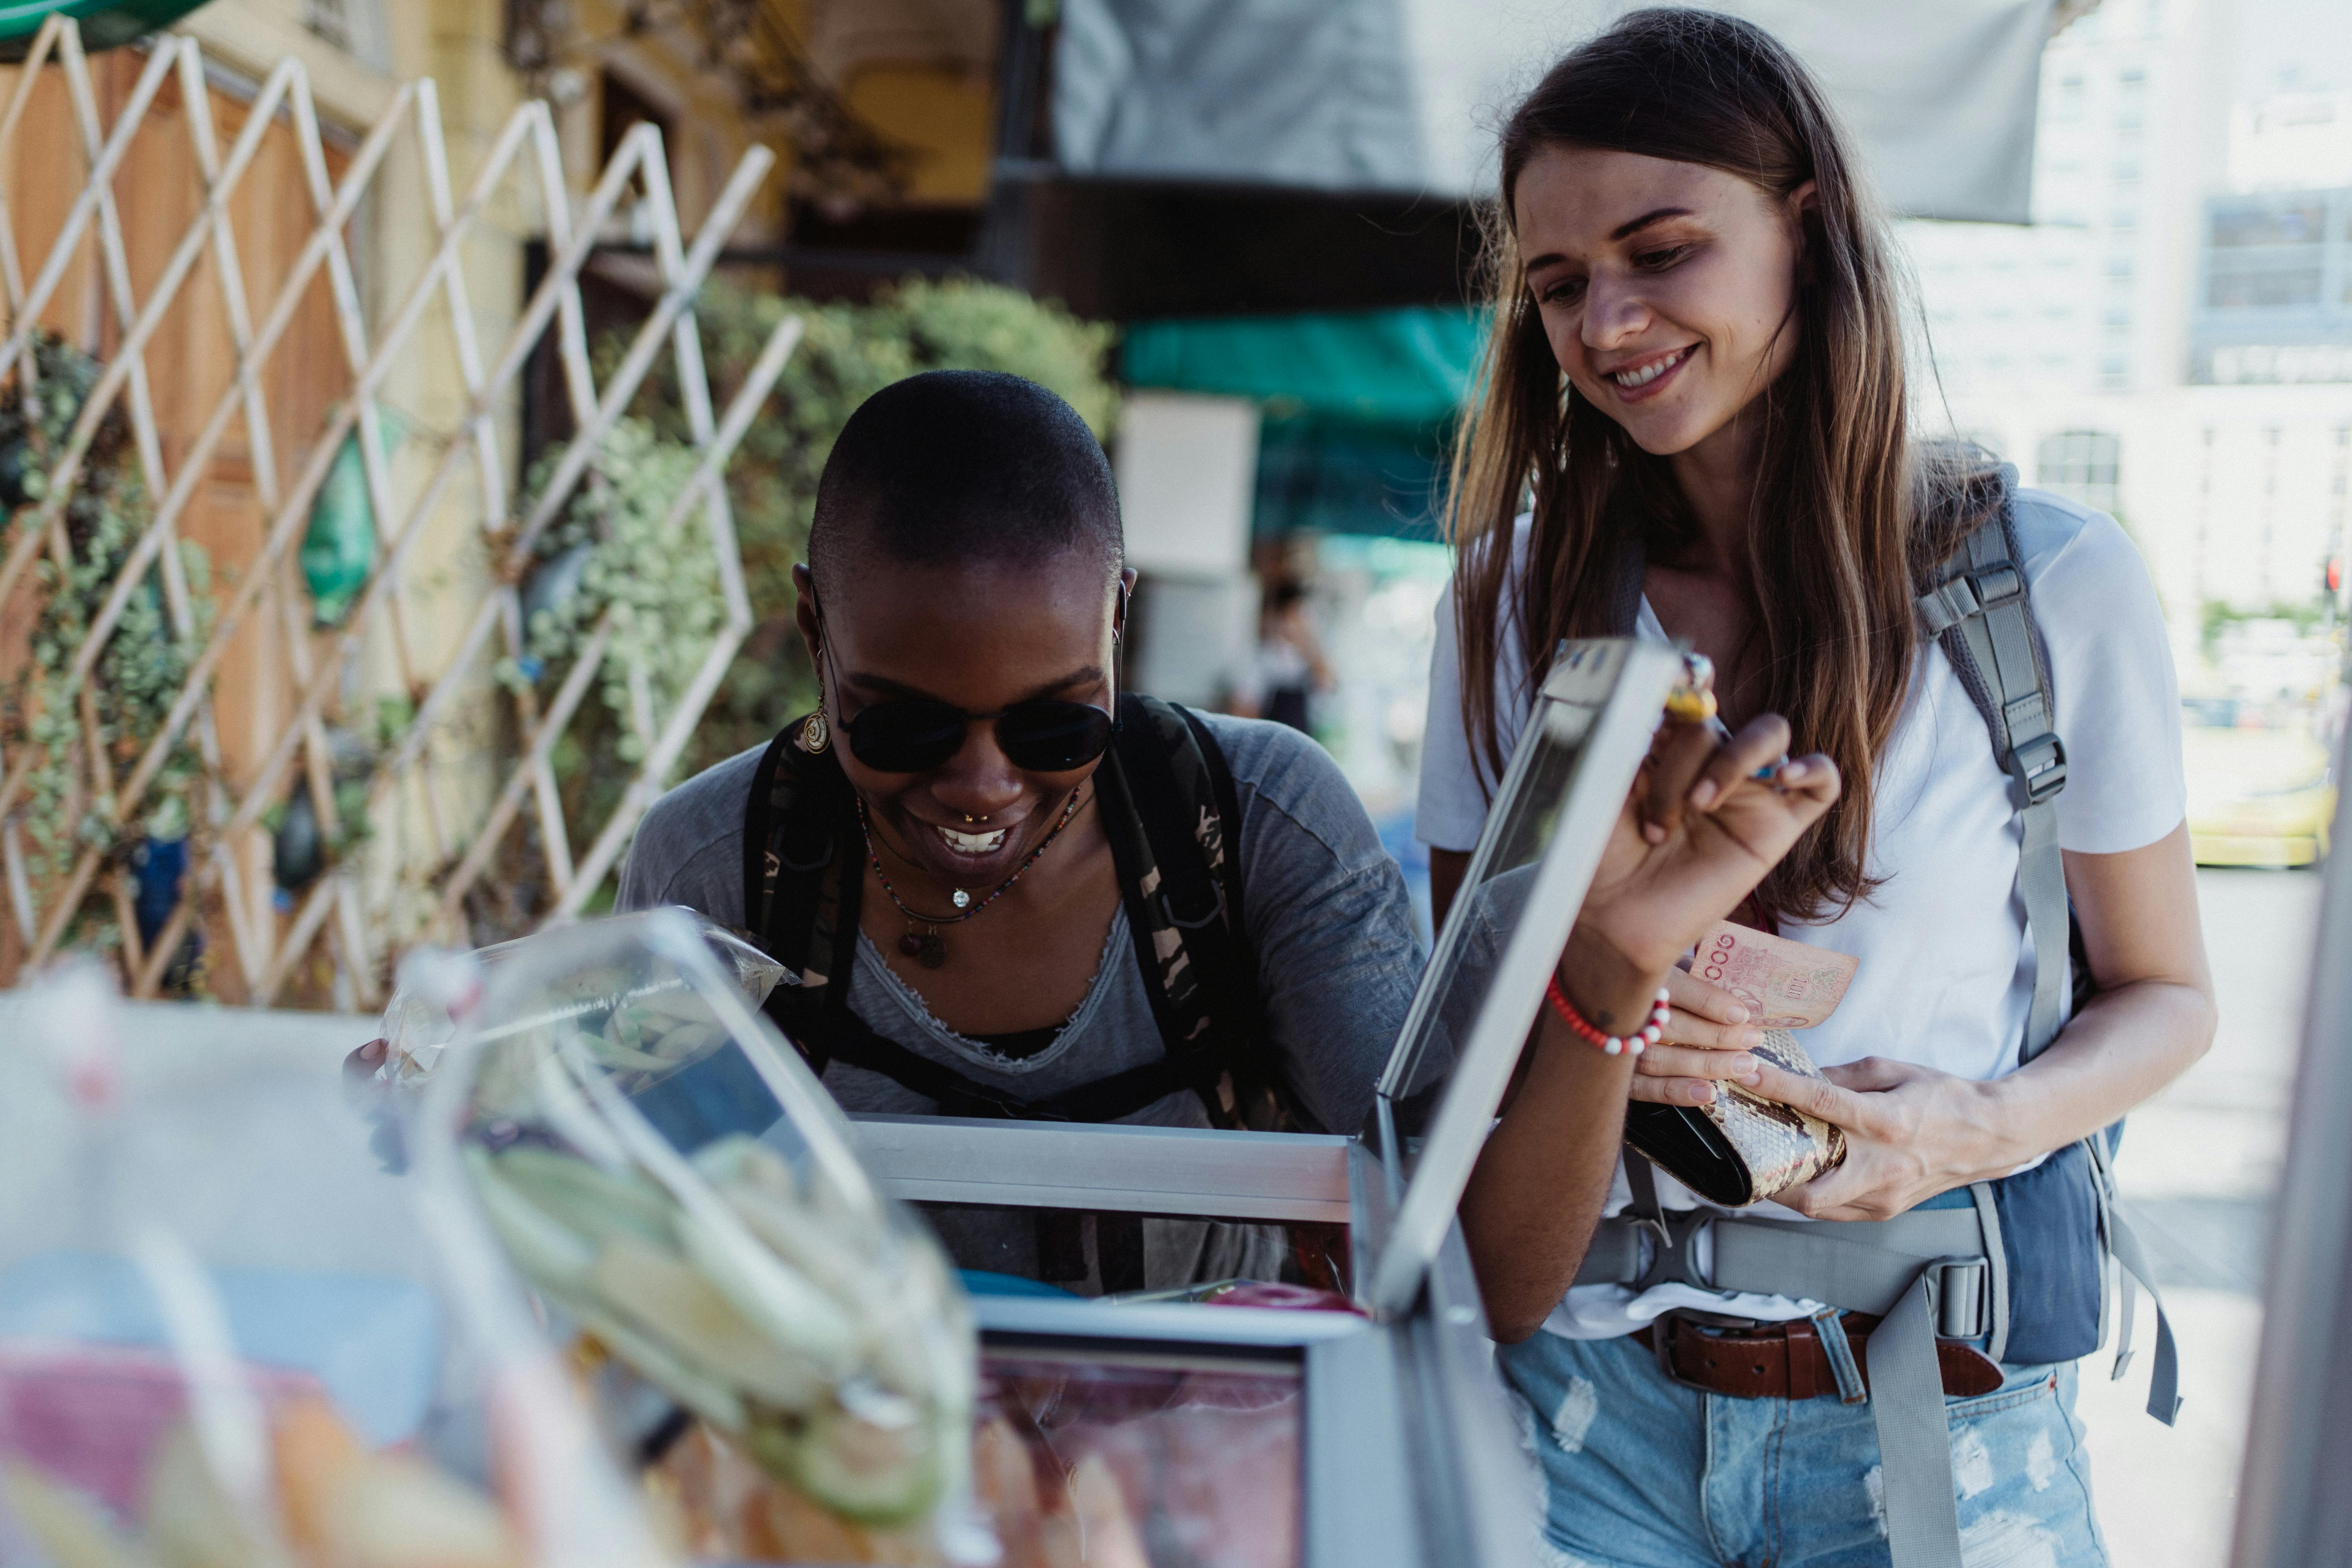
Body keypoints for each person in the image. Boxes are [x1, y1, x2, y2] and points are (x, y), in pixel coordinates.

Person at [1418, 12, 2216, 1568]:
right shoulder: (1506, 602)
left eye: (1659, 252)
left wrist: (1969, 1126)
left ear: (1806, 229)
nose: (1605, 321)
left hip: (1947, 1409)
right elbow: (1479, 1055)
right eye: (1561, 283)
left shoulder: (2046, 584)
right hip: (1583, 1413)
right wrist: (1607, 997)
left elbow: (2168, 997)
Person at [596, 368, 1836, 1301]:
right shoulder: (719, 862)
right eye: (901, 728)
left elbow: (1482, 1274)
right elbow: (634, 1241)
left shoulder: (1253, 827)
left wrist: (1615, 963)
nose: (979, 784)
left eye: (1052, 725)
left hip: (1209, 1476)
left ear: (1117, 618)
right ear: (814, 623)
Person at [1228, 580, 1333, 733]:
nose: (1296, 626)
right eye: (1291, 618)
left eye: (1302, 618)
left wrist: (1309, 647)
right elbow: (1244, 710)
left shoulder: (1310, 660)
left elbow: (1326, 685)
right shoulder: (1262, 658)